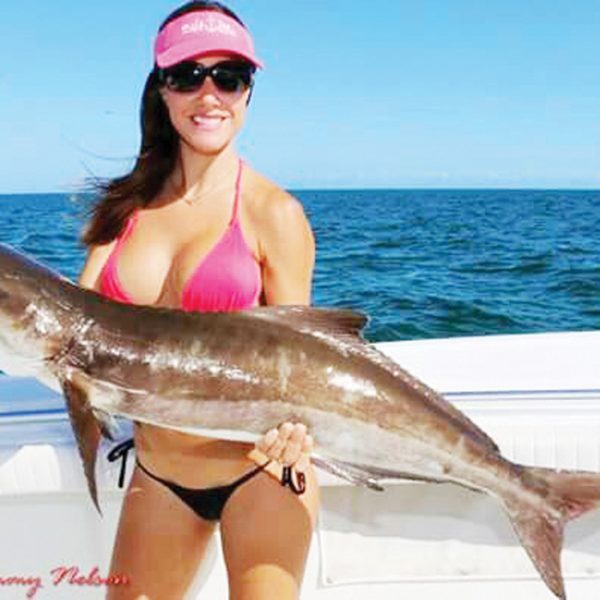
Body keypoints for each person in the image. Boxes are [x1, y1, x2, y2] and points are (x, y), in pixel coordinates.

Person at [78, 2, 319, 598]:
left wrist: (297, 431)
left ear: (248, 93)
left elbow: (303, 364)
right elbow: (73, 330)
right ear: (162, 90)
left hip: (263, 473)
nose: (208, 94)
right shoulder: (124, 210)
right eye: (187, 75)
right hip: (158, 474)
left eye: (229, 77)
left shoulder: (276, 215)